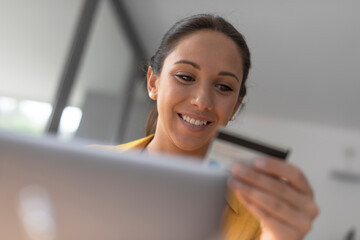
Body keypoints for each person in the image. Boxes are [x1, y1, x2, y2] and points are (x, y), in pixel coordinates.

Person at [108, 14, 319, 240]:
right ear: (153, 82)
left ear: (235, 107)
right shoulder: (84, 173)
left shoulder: (263, 221)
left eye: (223, 87)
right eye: (185, 76)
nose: (202, 101)